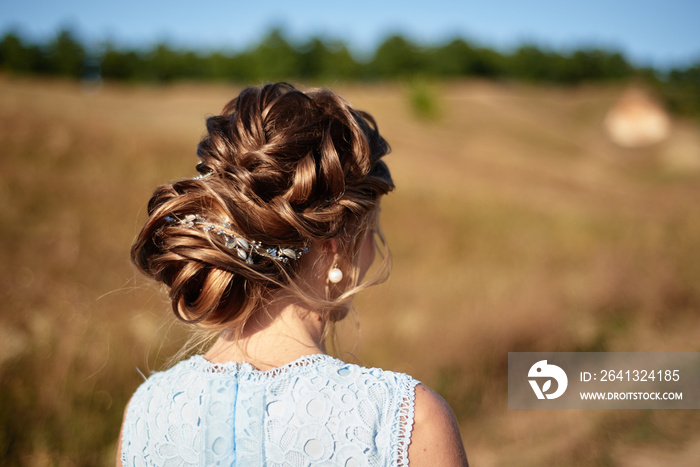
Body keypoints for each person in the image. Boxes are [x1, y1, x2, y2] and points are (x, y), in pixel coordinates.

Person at [118, 82, 468, 466]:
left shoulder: (146, 411)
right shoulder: (405, 420)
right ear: (335, 249)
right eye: (372, 234)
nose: (374, 251)